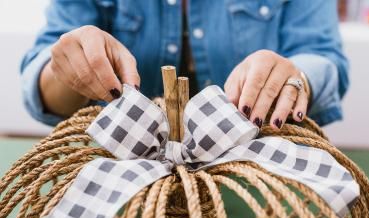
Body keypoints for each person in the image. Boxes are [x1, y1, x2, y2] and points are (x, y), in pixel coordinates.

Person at [21, 0, 348, 130]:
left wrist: (295, 76)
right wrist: (71, 64)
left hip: (264, 188)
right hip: (119, 195)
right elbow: (43, 94)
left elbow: (324, 58)